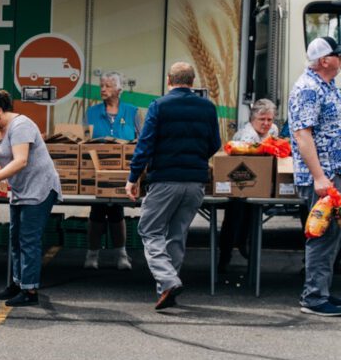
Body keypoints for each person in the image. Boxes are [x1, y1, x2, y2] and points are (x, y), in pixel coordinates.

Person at [125, 61, 220, 310]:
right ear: (192, 81)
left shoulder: (159, 106)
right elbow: (215, 144)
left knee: (150, 230)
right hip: (196, 182)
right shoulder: (208, 108)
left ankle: (168, 280)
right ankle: (167, 290)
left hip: (165, 180)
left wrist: (133, 177)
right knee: (176, 235)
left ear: (169, 80)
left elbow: (144, 145)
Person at [0, 90, 62, 306]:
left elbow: (20, 160)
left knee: (28, 240)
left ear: (0, 111)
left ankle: (30, 291)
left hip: (39, 187)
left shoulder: (21, 126)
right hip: (20, 189)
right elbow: (2, 160)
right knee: (15, 239)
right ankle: (18, 282)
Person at [288, 36, 341, 316]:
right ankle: (314, 297)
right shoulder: (309, 88)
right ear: (325, 61)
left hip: (333, 172)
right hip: (324, 176)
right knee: (322, 234)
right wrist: (320, 177)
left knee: (331, 235)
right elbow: (302, 134)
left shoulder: (328, 86)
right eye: (338, 54)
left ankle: (321, 291)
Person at [84, 71, 141, 270]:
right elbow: (84, 141)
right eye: (101, 85)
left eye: (107, 86)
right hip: (97, 172)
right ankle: (92, 254)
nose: (103, 89)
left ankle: (121, 255)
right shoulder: (91, 112)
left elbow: (140, 140)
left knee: (117, 210)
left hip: (125, 172)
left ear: (119, 90)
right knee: (97, 210)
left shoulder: (132, 112)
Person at [218, 98, 279, 272]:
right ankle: (225, 256)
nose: (266, 123)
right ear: (253, 119)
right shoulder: (247, 136)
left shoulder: (273, 130)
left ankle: (246, 250)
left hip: (259, 184)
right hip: (240, 182)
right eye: (262, 120)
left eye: (269, 119)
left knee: (252, 219)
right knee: (234, 219)